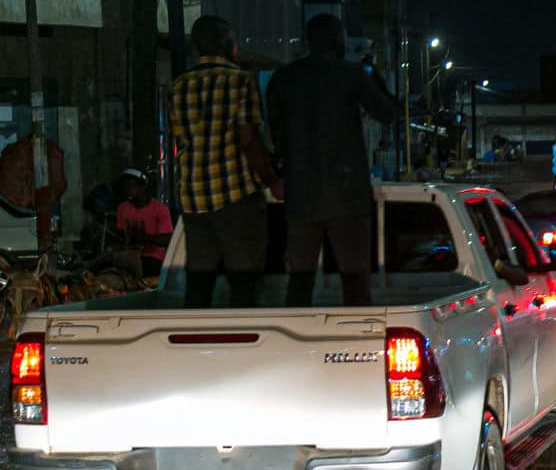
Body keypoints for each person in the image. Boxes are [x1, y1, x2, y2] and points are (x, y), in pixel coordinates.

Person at [266, 15, 400, 307]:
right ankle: (355, 341)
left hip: (300, 194)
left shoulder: (282, 79)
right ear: (338, 41)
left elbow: (274, 135)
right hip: (348, 193)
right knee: (354, 280)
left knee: (299, 280)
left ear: (307, 41)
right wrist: (374, 74)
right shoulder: (351, 75)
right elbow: (388, 111)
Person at [169, 16, 284, 308]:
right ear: (226, 44)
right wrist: (272, 180)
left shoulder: (179, 86)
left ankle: (197, 339)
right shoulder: (241, 80)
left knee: (200, 277)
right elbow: (249, 139)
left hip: (193, 197)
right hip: (236, 194)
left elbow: (180, 140)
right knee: (244, 278)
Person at [113, 168, 173, 277]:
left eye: (130, 186)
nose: (127, 191)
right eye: (125, 187)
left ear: (143, 187)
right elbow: (120, 234)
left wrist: (145, 238)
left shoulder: (160, 209)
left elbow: (167, 239)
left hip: (153, 257)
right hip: (130, 254)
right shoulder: (123, 208)